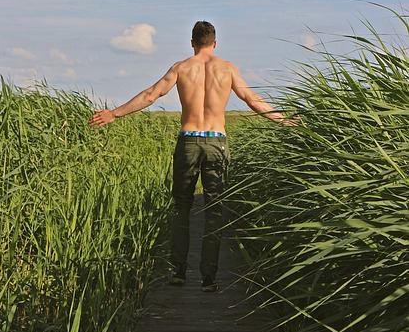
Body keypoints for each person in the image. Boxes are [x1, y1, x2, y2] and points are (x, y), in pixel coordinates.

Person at [89, 21, 298, 292]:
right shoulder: (228, 68)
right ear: (214, 43)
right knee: (214, 211)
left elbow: (151, 95)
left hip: (187, 142)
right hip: (216, 142)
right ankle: (209, 278)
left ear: (192, 43)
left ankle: (178, 271)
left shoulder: (181, 68)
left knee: (182, 208)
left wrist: (113, 113)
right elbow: (252, 99)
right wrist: (285, 121)